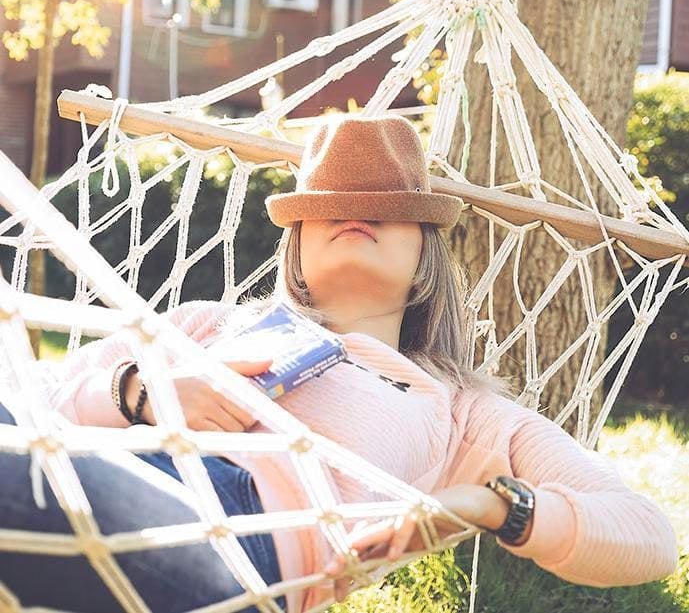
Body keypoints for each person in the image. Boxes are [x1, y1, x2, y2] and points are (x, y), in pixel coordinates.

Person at [0, 115, 679, 613]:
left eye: (383, 207)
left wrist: (487, 504)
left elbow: (648, 536)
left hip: (238, 550)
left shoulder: (461, 412)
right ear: (295, 244)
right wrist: (136, 392)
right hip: (96, 474)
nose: (353, 214)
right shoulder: (207, 322)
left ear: (425, 250)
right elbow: (38, 395)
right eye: (329, 207)